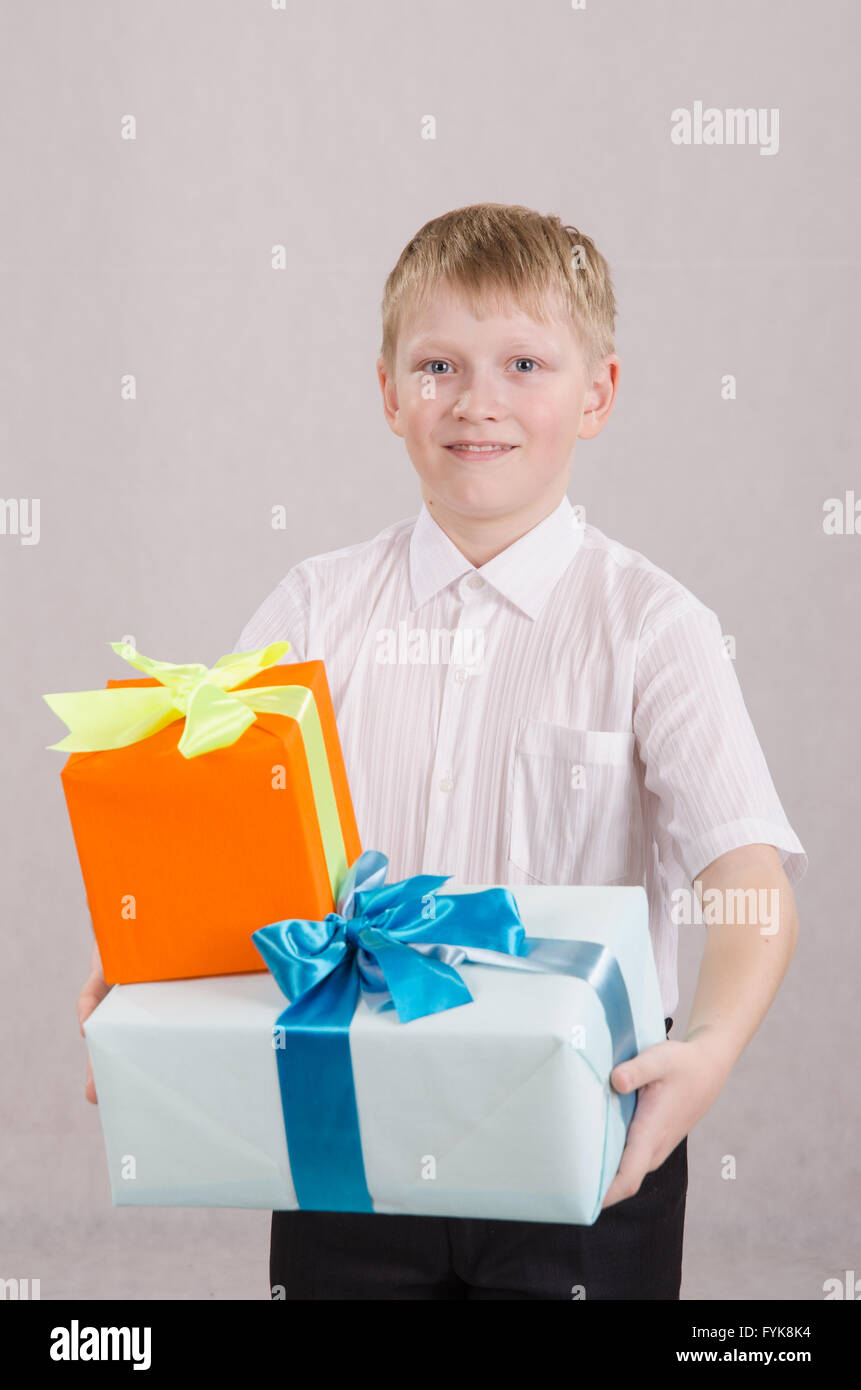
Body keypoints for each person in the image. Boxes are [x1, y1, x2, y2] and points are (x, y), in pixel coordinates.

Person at [78, 203, 807, 1299]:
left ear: (597, 393)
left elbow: (747, 879)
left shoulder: (655, 625)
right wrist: (146, 984)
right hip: (353, 1127)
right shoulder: (313, 607)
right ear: (387, 392)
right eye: (437, 365)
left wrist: (705, 1051)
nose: (477, 402)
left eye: (524, 363)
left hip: (589, 1134)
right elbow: (221, 840)